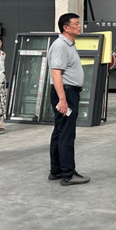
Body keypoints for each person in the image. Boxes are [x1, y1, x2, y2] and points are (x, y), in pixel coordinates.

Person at [47, 13, 90, 185]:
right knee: (66, 133)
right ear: (66, 27)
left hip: (67, 92)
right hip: (65, 93)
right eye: (76, 24)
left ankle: (57, 170)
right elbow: (55, 73)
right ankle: (68, 174)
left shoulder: (69, 45)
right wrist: (63, 99)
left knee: (60, 131)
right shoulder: (61, 46)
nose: (80, 26)